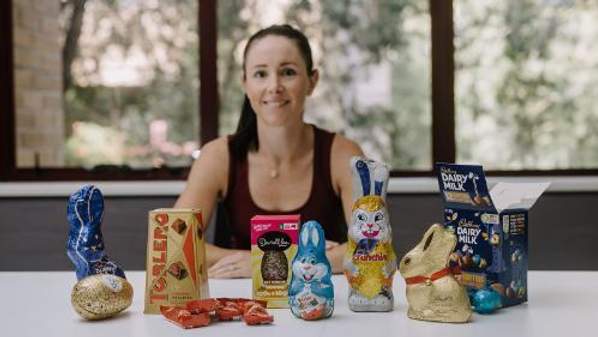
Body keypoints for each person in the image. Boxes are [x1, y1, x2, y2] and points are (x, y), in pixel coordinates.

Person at [175, 24, 363, 278]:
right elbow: (174, 244)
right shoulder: (217, 156)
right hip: (240, 307)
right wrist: (317, 256)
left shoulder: (344, 155)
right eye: (261, 74)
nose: (274, 86)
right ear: (245, 83)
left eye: (287, 72)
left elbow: (371, 247)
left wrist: (266, 261)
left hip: (324, 307)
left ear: (312, 81)